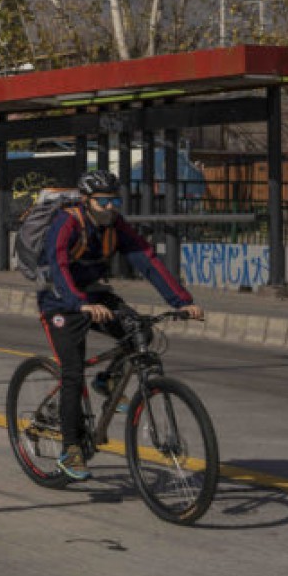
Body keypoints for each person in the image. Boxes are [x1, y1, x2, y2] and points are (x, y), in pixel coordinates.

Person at [41, 170, 202, 481]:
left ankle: (110, 380)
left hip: (95, 294)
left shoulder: (116, 226)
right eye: (103, 201)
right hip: (60, 301)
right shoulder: (67, 222)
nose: (110, 207)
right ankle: (70, 449)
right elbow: (57, 265)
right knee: (73, 374)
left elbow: (146, 259)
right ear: (87, 201)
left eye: (115, 200)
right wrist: (80, 304)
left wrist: (180, 300)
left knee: (140, 330)